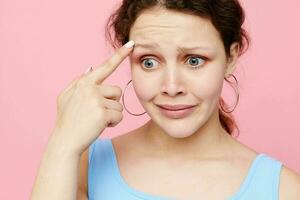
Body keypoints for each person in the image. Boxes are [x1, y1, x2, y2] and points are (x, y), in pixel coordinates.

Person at [30, 0, 300, 199]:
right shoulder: (82, 165)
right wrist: (62, 141)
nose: (171, 87)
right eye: (149, 62)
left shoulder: (283, 190)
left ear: (231, 57)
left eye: (194, 61)